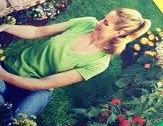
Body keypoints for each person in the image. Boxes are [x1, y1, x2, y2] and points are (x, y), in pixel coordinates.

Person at [0, 9, 151, 118]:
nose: (98, 23)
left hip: (38, 89)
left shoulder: (99, 62)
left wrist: (3, 76)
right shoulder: (87, 23)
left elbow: (42, 83)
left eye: (105, 23)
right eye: (103, 18)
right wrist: (7, 27)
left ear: (119, 33)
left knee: (15, 122)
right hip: (14, 68)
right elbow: (37, 32)